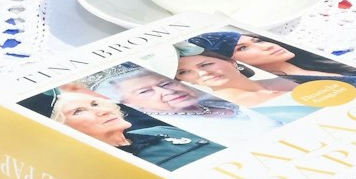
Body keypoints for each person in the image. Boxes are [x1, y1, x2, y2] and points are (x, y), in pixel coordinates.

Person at [24, 85, 221, 171]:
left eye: (95, 104)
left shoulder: (159, 131)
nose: (102, 111)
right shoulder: (103, 168)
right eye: (78, 111)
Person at [88, 63, 278, 145]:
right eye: (145, 91)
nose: (167, 92)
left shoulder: (215, 99)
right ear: (127, 103)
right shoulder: (171, 130)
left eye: (165, 84)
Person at [173, 38, 319, 127]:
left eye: (206, 64)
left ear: (232, 62)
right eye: (184, 72)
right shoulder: (233, 113)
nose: (203, 73)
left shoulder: (289, 80)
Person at [227, 33, 356, 88]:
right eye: (243, 48)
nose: (267, 46)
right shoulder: (281, 87)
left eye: (258, 41)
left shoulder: (325, 63)